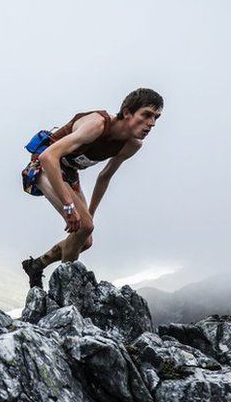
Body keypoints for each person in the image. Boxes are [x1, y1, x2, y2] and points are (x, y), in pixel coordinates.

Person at [21, 88, 163, 288]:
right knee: (84, 227)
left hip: (69, 172)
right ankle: (66, 290)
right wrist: (69, 207)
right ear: (128, 112)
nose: (152, 123)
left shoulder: (132, 145)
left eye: (156, 118)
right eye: (146, 115)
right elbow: (48, 157)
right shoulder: (97, 124)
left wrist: (90, 214)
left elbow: (104, 177)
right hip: (44, 165)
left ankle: (37, 264)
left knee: (85, 239)